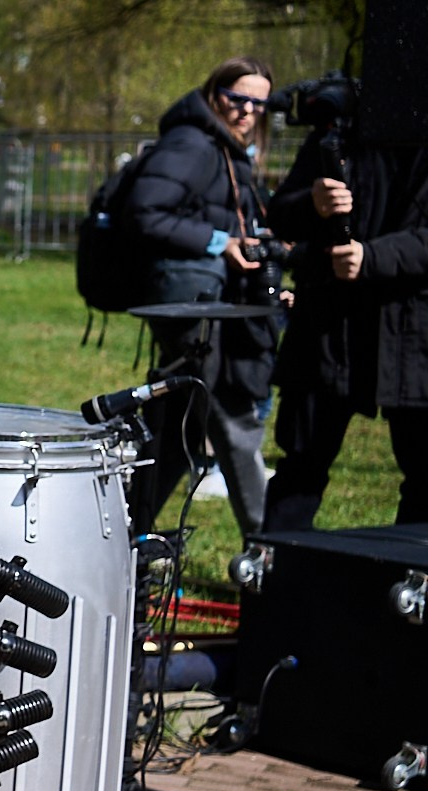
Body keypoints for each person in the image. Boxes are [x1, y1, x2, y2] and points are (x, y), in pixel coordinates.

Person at [119, 58, 276, 540]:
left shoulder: (222, 147)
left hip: (209, 301)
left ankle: (125, 532)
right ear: (214, 94)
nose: (247, 111)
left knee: (177, 428)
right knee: (228, 414)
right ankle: (268, 548)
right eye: (238, 98)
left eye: (259, 104)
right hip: (191, 306)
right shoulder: (192, 142)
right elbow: (142, 211)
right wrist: (218, 242)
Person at [264, 105, 428, 527]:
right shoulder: (342, 129)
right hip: (329, 331)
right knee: (300, 468)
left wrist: (373, 257)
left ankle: (405, 587)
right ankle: (277, 582)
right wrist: (312, 202)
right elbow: (281, 212)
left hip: (413, 335)